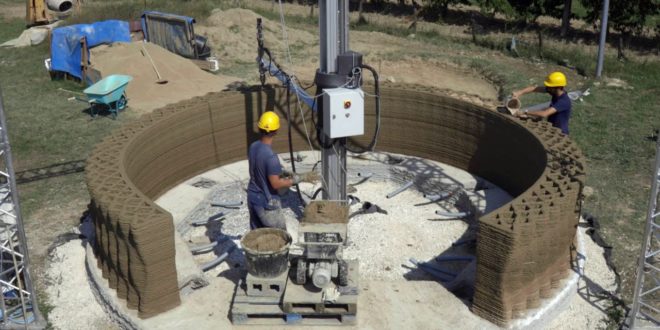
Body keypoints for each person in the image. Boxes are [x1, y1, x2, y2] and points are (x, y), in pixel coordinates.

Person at [247, 111, 298, 230]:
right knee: (279, 238)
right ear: (276, 131)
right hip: (266, 202)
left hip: (252, 196)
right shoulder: (271, 157)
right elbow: (275, 184)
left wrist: (279, 173)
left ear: (260, 128)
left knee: (257, 235)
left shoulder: (253, 146)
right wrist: (293, 180)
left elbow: (260, 169)